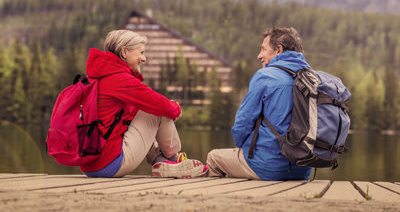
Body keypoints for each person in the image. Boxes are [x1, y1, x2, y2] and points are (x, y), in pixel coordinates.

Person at [80, 30, 208, 178]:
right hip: (110, 164)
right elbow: (165, 107)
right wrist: (175, 107)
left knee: (143, 110)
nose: (144, 58)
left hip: (90, 165)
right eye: (140, 52)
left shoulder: (100, 76)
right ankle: (174, 159)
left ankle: (161, 162)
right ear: (124, 51)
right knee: (159, 109)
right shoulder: (120, 79)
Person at [206, 27, 312, 180]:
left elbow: (242, 123)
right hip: (303, 169)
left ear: (278, 50)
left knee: (213, 158)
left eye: (263, 49)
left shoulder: (265, 76)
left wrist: (242, 146)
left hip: (267, 167)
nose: (259, 56)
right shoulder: (311, 78)